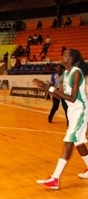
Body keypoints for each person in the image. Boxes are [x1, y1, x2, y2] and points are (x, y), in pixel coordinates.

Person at [33, 49, 88, 189]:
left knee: (69, 141)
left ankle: (55, 179)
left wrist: (50, 88)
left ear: (69, 58)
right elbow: (60, 95)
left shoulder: (76, 73)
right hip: (72, 111)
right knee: (79, 142)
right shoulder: (65, 74)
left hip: (81, 110)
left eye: (63, 55)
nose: (60, 57)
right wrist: (46, 88)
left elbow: (72, 98)